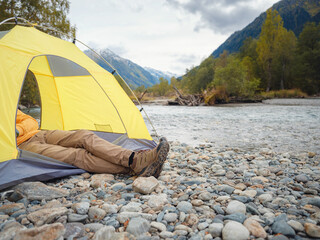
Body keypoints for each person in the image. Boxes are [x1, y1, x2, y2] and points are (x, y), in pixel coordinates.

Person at [16, 110, 169, 178]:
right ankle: (135, 166)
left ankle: (135, 160)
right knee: (76, 155)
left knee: (84, 136)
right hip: (20, 146)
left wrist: (19, 129)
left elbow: (30, 121)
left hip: (38, 133)